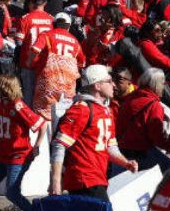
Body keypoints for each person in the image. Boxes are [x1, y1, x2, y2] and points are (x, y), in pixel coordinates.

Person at [50, 64, 138, 201]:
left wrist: (125, 163)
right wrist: (55, 181)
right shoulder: (81, 109)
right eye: (109, 81)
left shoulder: (106, 110)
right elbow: (59, 144)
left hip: (98, 178)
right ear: (97, 85)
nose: (113, 85)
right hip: (84, 179)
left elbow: (110, 146)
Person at [0, 73, 46, 211]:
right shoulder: (1, 104)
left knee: (12, 192)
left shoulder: (18, 106)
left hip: (18, 156)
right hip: (2, 154)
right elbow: (1, 134)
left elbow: (41, 125)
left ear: (4, 88)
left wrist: (37, 145)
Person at [116, 68, 170, 172]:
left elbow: (119, 127)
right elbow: (158, 139)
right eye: (163, 84)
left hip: (123, 151)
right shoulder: (154, 106)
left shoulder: (129, 99)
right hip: (142, 152)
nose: (164, 87)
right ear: (157, 85)